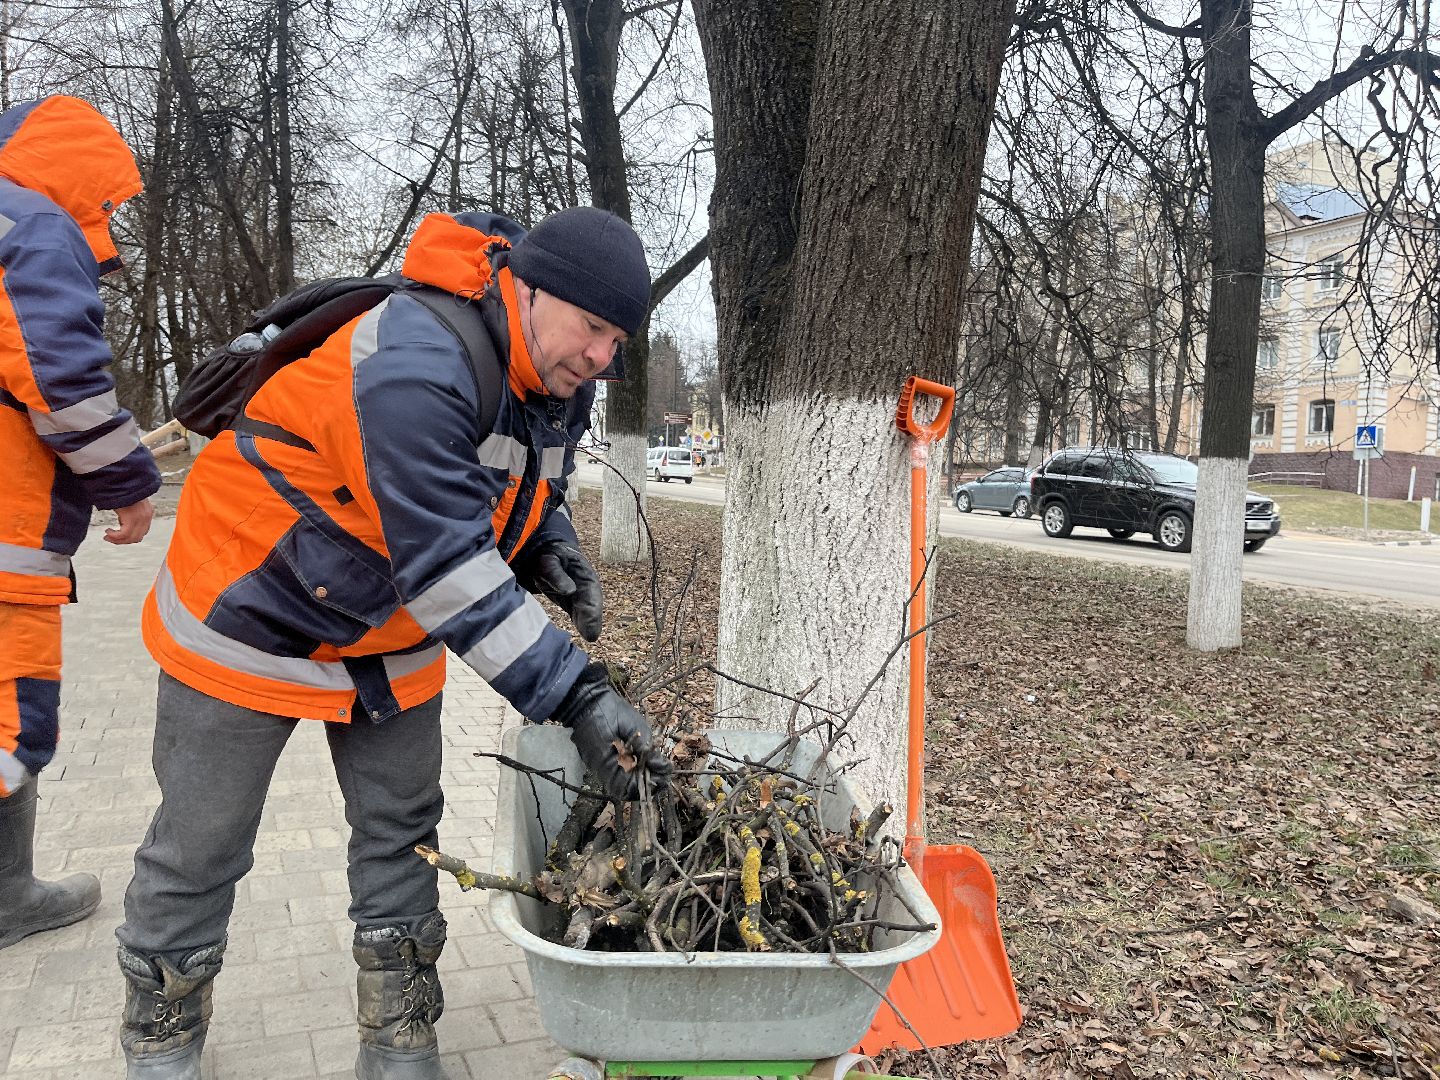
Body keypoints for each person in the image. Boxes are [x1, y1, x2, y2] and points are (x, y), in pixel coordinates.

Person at [117, 206, 670, 1080]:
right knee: (203, 838)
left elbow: (513, 480)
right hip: (254, 603)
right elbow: (448, 558)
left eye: (618, 338)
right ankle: (160, 1041)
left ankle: (399, 1038)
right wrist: (580, 695)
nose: (603, 354)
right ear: (524, 288)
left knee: (403, 830)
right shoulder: (417, 360)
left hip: (386, 618)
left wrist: (546, 545)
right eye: (592, 327)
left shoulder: (561, 374)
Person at [0, 96, 161, 950]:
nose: (113, 218)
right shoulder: (31, 224)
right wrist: (130, 484)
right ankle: (6, 900)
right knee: (9, 724)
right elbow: (60, 379)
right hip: (4, 532)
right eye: (112, 199)